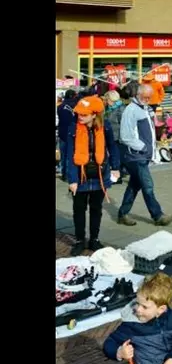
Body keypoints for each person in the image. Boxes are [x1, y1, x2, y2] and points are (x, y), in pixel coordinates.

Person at [66, 96, 120, 256]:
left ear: (94, 114)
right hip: (80, 175)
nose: (80, 116)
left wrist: (116, 168)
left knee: (96, 208)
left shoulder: (106, 127)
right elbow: (69, 155)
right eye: (79, 113)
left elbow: (113, 147)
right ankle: (80, 241)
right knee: (79, 209)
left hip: (99, 175)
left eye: (84, 114)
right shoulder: (73, 128)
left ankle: (94, 240)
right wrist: (72, 179)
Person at [117, 84, 172, 226]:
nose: (148, 100)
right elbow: (126, 136)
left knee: (134, 185)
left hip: (142, 154)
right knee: (147, 186)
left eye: (149, 98)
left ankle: (122, 214)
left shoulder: (145, 108)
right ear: (138, 95)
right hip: (135, 155)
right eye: (145, 97)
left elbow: (148, 130)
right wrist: (143, 147)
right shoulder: (131, 111)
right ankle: (158, 215)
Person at [57, 89, 78, 182]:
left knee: (63, 154)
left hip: (62, 132)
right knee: (71, 155)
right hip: (73, 132)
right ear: (73, 96)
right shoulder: (77, 105)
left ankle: (63, 173)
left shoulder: (60, 106)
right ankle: (70, 174)